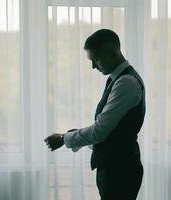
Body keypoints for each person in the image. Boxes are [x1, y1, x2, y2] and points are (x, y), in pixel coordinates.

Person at [44, 29, 145, 200]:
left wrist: (64, 138)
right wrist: (76, 134)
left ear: (113, 52)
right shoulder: (117, 80)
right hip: (115, 168)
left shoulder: (126, 83)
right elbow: (110, 132)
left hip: (120, 171)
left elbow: (100, 131)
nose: (93, 66)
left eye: (96, 59)